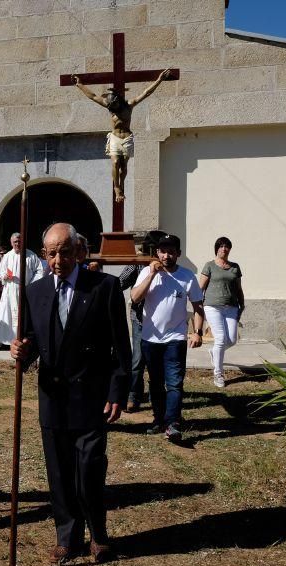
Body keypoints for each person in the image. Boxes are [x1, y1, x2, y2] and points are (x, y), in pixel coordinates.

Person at [10, 223, 131, 566]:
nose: (58, 260)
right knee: (59, 473)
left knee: (90, 470)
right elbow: (32, 342)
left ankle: (99, 534)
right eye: (51, 253)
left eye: (64, 251)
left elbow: (120, 347)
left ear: (78, 251)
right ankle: (68, 536)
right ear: (43, 255)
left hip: (92, 398)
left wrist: (117, 391)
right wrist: (22, 349)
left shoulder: (104, 287)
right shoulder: (34, 292)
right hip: (53, 398)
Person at [131, 234, 205, 443]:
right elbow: (135, 297)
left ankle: (172, 423)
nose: (166, 255)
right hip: (150, 338)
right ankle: (158, 420)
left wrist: (197, 332)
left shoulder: (187, 276)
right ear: (157, 253)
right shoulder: (147, 272)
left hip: (175, 338)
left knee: (174, 382)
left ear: (178, 254)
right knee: (155, 382)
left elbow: (198, 307)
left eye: (171, 251)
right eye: (163, 251)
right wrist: (152, 275)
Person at [73, 68, 172, 203]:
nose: (112, 109)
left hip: (127, 138)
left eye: (114, 106)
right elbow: (93, 96)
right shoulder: (109, 106)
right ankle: (117, 188)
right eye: (111, 108)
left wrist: (159, 80)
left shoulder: (129, 106)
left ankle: (121, 184)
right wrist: (80, 85)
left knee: (123, 167)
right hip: (115, 138)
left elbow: (146, 93)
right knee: (115, 162)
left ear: (118, 101)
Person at [117, 230, 166, 412]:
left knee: (157, 363)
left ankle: (157, 398)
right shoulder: (137, 264)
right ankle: (133, 396)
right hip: (140, 320)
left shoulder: (167, 265)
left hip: (161, 323)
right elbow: (120, 283)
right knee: (137, 361)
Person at [198, 236, 245, 388]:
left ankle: (214, 353)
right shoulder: (209, 266)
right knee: (220, 339)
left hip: (231, 307)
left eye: (227, 246)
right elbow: (201, 287)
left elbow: (238, 288)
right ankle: (218, 374)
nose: (224, 249)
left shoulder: (235, 267)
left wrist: (242, 304)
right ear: (217, 249)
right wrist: (197, 304)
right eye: (221, 246)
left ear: (229, 249)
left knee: (231, 340)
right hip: (212, 306)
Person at [0, 232, 43, 346]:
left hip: (25, 291)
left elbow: (39, 271)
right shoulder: (7, 256)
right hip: (10, 290)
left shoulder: (31, 255)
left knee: (23, 316)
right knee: (8, 315)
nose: (17, 244)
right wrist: (4, 276)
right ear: (11, 243)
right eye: (15, 242)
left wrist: (31, 285)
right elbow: (1, 271)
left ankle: (22, 340)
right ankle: (7, 342)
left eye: (19, 241)